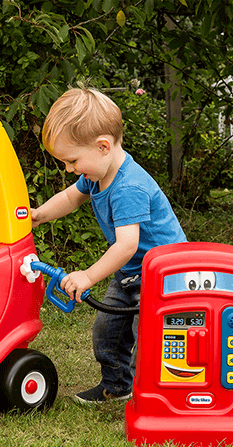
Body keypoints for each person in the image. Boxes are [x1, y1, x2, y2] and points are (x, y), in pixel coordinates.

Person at [32, 88, 187, 403]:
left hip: (166, 276)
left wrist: (88, 276)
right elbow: (71, 197)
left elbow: (127, 245)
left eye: (72, 160)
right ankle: (116, 386)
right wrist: (39, 215)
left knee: (151, 338)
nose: (69, 169)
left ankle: (152, 395)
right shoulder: (96, 175)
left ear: (103, 146)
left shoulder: (128, 185)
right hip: (132, 273)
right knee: (108, 331)